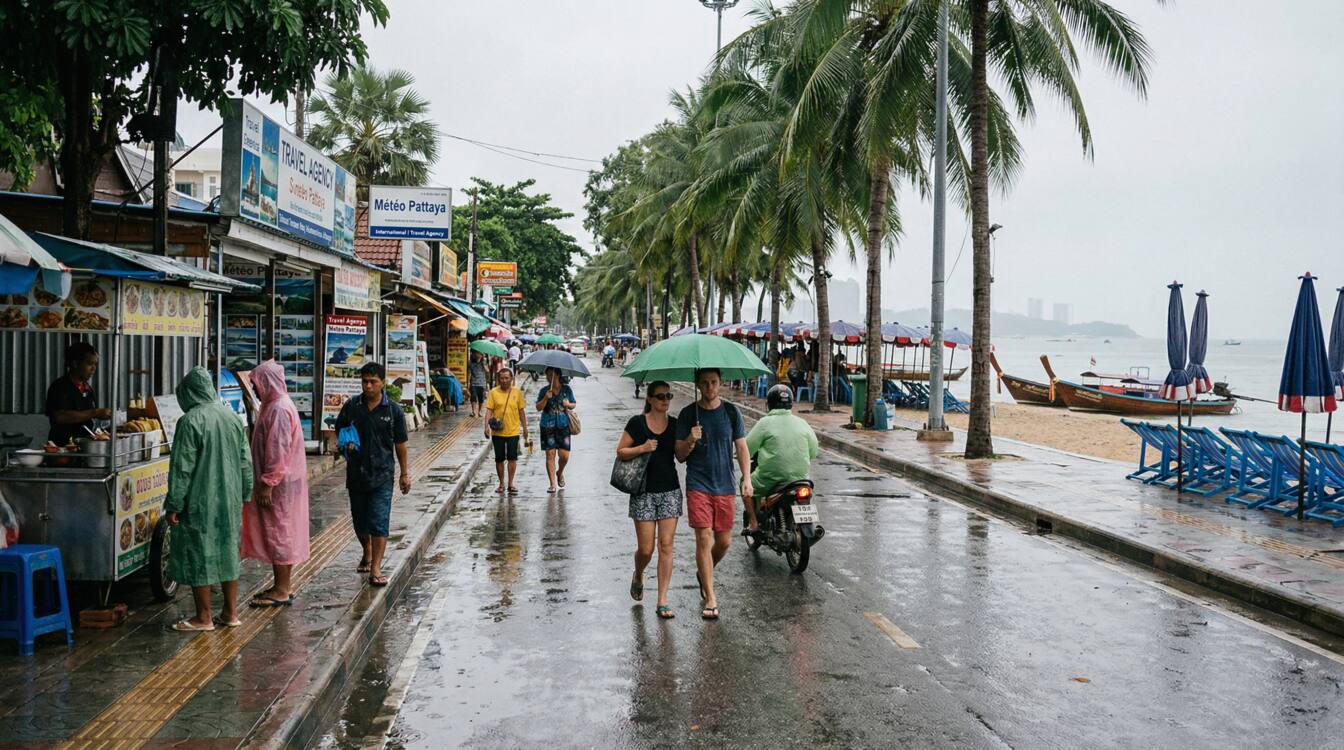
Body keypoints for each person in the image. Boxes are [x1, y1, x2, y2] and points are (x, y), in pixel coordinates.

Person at [164, 367, 253, 631]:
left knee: (199, 552)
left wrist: (174, 504)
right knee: (227, 551)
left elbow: (182, 468)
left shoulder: (191, 421)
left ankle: (203, 617)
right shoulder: (232, 417)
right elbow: (245, 461)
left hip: (199, 500)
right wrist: (245, 492)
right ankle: (230, 613)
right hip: (230, 498)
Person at [675, 368, 751, 621]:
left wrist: (747, 479)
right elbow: (680, 455)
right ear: (697, 385)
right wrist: (690, 439)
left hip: (725, 484)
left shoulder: (731, 412)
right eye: (705, 383)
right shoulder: (688, 415)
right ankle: (710, 596)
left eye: (714, 383)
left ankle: (703, 573)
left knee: (725, 541)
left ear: (721, 384)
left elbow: (741, 447)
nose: (710, 388)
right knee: (704, 539)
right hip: (698, 483)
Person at [335, 362, 412, 588]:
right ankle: (366, 549)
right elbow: (339, 430)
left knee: (379, 521)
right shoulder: (352, 406)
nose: (368, 386)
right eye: (364, 382)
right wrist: (344, 444)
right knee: (360, 521)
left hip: (383, 475)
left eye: (373, 382)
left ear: (382, 383)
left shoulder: (393, 410)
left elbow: (400, 444)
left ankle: (376, 567)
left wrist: (404, 474)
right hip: (356, 473)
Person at [241, 360, 310, 607]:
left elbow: (278, 449)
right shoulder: (273, 405)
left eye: (256, 383)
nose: (255, 388)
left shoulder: (279, 408)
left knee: (279, 532)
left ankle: (282, 589)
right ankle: (281, 585)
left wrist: (268, 482)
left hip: (280, 486)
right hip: (281, 482)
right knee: (279, 531)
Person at [616, 381, 680, 619]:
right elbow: (621, 451)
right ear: (650, 399)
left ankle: (662, 600)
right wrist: (642, 448)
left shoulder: (674, 425)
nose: (665, 400)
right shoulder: (637, 423)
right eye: (661, 396)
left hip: (670, 490)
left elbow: (681, 456)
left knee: (666, 546)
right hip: (642, 491)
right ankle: (639, 573)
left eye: (669, 396)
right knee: (646, 548)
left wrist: (691, 440)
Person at [744, 385, 819, 530]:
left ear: (769, 404)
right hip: (800, 479)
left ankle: (753, 523)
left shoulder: (765, 423)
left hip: (771, 479)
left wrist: (740, 455)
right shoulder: (802, 423)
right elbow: (814, 451)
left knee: (745, 484)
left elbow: (747, 449)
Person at [43, 341, 144, 446]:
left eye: (95, 364)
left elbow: (91, 420)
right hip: (63, 447)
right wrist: (95, 413)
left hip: (85, 445)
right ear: (75, 363)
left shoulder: (87, 389)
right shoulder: (59, 387)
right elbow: (59, 417)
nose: (94, 369)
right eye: (90, 364)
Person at [484, 367, 528, 493]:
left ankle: (510, 483)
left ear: (511, 379)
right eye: (501, 378)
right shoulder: (493, 392)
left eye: (506, 378)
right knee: (499, 458)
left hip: (513, 431)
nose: (504, 381)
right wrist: (486, 426)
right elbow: (489, 410)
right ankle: (501, 483)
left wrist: (525, 428)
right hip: (498, 432)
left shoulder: (517, 393)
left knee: (512, 458)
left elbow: (521, 412)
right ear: (499, 379)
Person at [535, 367, 575, 493]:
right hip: (548, 426)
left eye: (551, 375)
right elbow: (538, 407)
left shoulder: (566, 390)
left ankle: (560, 472)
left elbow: (574, 404)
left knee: (564, 456)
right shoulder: (544, 391)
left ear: (557, 375)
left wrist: (568, 404)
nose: (548, 377)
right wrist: (546, 398)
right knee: (550, 454)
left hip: (563, 425)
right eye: (547, 375)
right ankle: (552, 484)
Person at [468, 352, 489, 417]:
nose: (478, 355)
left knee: (481, 398)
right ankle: (474, 411)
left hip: (482, 383)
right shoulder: (471, 363)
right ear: (474, 355)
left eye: (480, 354)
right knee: (473, 397)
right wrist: (468, 383)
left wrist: (484, 365)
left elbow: (487, 371)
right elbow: (469, 373)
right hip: (473, 383)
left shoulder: (484, 363)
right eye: (476, 354)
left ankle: (480, 411)